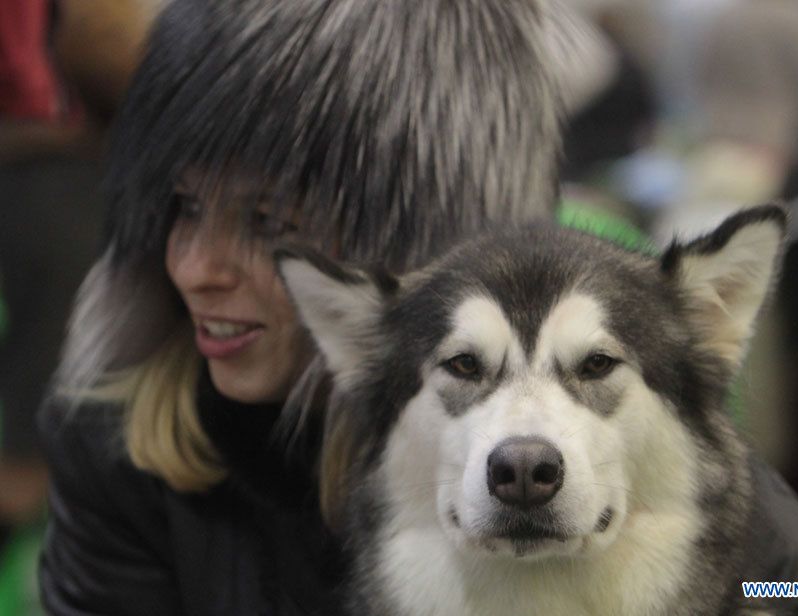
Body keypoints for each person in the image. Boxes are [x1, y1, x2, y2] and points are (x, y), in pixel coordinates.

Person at [36, 0, 592, 613]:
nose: (195, 269)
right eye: (185, 207)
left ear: (414, 251)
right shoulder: (122, 449)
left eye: (269, 221)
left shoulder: (544, 475)